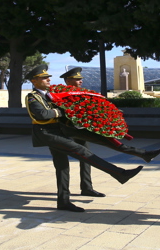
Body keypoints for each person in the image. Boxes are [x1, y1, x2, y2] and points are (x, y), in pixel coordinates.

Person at [25, 64, 144, 212]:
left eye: (48, 77)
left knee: (62, 167)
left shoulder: (51, 94)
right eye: (43, 78)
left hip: (58, 131)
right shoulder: (32, 97)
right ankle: (120, 173)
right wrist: (63, 111)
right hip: (45, 132)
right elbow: (42, 115)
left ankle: (63, 202)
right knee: (80, 150)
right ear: (34, 81)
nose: (48, 79)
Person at [58, 67, 103, 197]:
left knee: (87, 158)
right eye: (77, 79)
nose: (80, 81)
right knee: (62, 162)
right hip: (63, 130)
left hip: (80, 130)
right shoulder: (60, 93)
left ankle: (87, 187)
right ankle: (63, 192)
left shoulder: (83, 93)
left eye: (80, 79)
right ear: (68, 80)